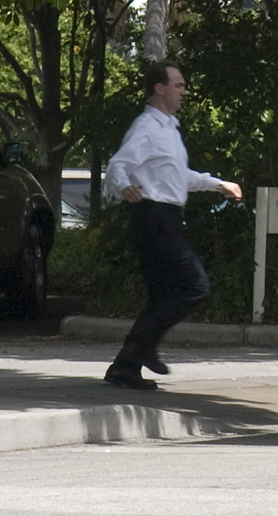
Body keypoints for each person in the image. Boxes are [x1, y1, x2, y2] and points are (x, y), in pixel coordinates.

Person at [102, 61, 242, 391]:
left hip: (164, 219)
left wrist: (218, 184)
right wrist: (124, 187)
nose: (183, 91)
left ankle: (126, 366)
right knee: (194, 286)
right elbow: (117, 166)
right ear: (159, 89)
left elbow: (179, 177)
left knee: (162, 294)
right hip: (153, 217)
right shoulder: (147, 129)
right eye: (178, 85)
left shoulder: (169, 130)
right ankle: (141, 347)